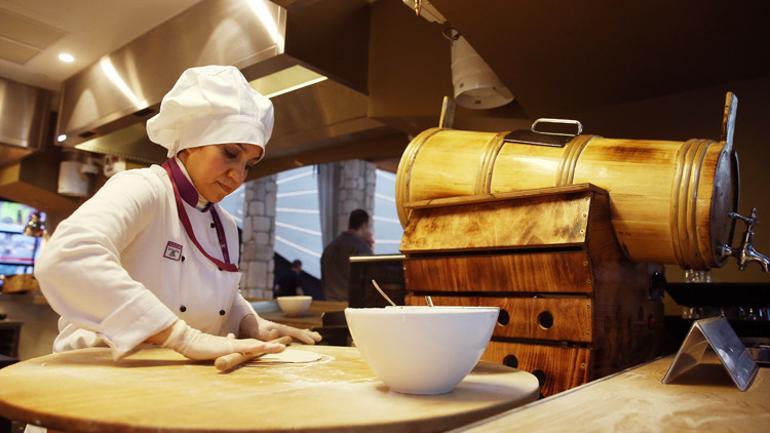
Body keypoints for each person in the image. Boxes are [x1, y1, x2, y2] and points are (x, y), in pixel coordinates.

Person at [34, 65, 321, 364]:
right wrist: (181, 337)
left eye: (249, 164)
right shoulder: (144, 188)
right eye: (231, 153)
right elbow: (68, 257)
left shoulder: (222, 222)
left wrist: (252, 324)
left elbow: (214, 294)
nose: (237, 175)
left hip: (172, 381)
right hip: (100, 371)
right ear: (190, 144)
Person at [320, 209, 373, 301]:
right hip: (352, 306)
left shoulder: (329, 248)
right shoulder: (361, 248)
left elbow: (324, 280)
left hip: (329, 304)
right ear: (364, 225)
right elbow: (370, 279)